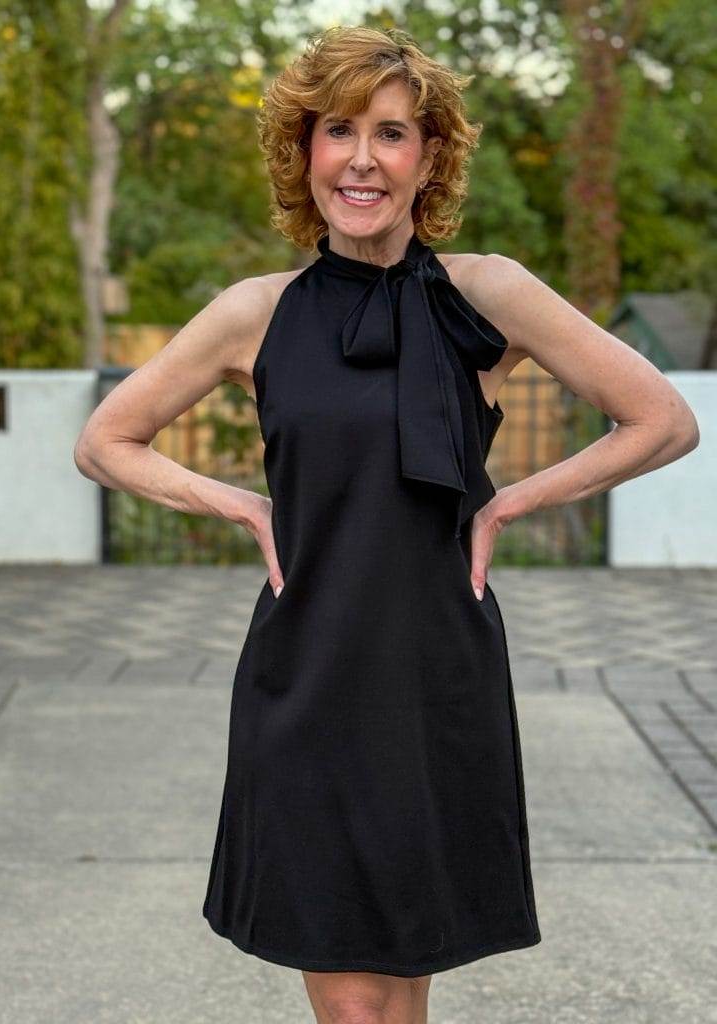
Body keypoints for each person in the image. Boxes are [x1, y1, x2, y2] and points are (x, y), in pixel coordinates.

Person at [74, 24, 699, 1024]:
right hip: (311, 679)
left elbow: (664, 419)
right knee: (358, 1001)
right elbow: (108, 439)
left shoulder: (484, 294)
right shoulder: (255, 312)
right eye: (338, 130)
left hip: (436, 678)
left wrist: (513, 499)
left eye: (393, 133)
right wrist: (235, 501)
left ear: (430, 158)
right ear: (304, 150)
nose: (362, 157)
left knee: (401, 988)